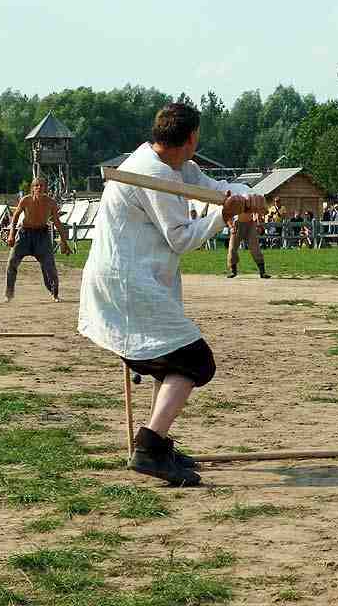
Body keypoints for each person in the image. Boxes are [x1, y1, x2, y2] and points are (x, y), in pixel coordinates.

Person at [78, 102, 261, 485]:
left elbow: (215, 188)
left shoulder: (179, 168)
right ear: (192, 136)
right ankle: (149, 447)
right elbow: (180, 238)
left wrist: (248, 196)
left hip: (142, 279)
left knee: (169, 360)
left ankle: (157, 446)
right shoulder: (147, 174)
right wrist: (222, 216)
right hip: (126, 282)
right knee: (194, 360)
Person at [5, 177, 72, 303]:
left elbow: (57, 222)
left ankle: (54, 293)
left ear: (46, 188)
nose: (39, 188)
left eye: (42, 186)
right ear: (32, 189)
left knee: (49, 266)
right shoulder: (25, 200)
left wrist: (64, 242)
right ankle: (9, 293)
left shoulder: (51, 202)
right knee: (12, 262)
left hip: (42, 235)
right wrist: (11, 234)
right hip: (25, 234)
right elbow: (15, 217)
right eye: (36, 186)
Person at [226, 210, 270, 279]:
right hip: (237, 224)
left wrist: (258, 224)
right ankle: (233, 271)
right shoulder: (234, 199)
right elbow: (227, 214)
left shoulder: (251, 199)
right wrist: (231, 226)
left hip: (250, 224)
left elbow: (256, 211)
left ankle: (262, 272)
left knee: (255, 247)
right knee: (232, 248)